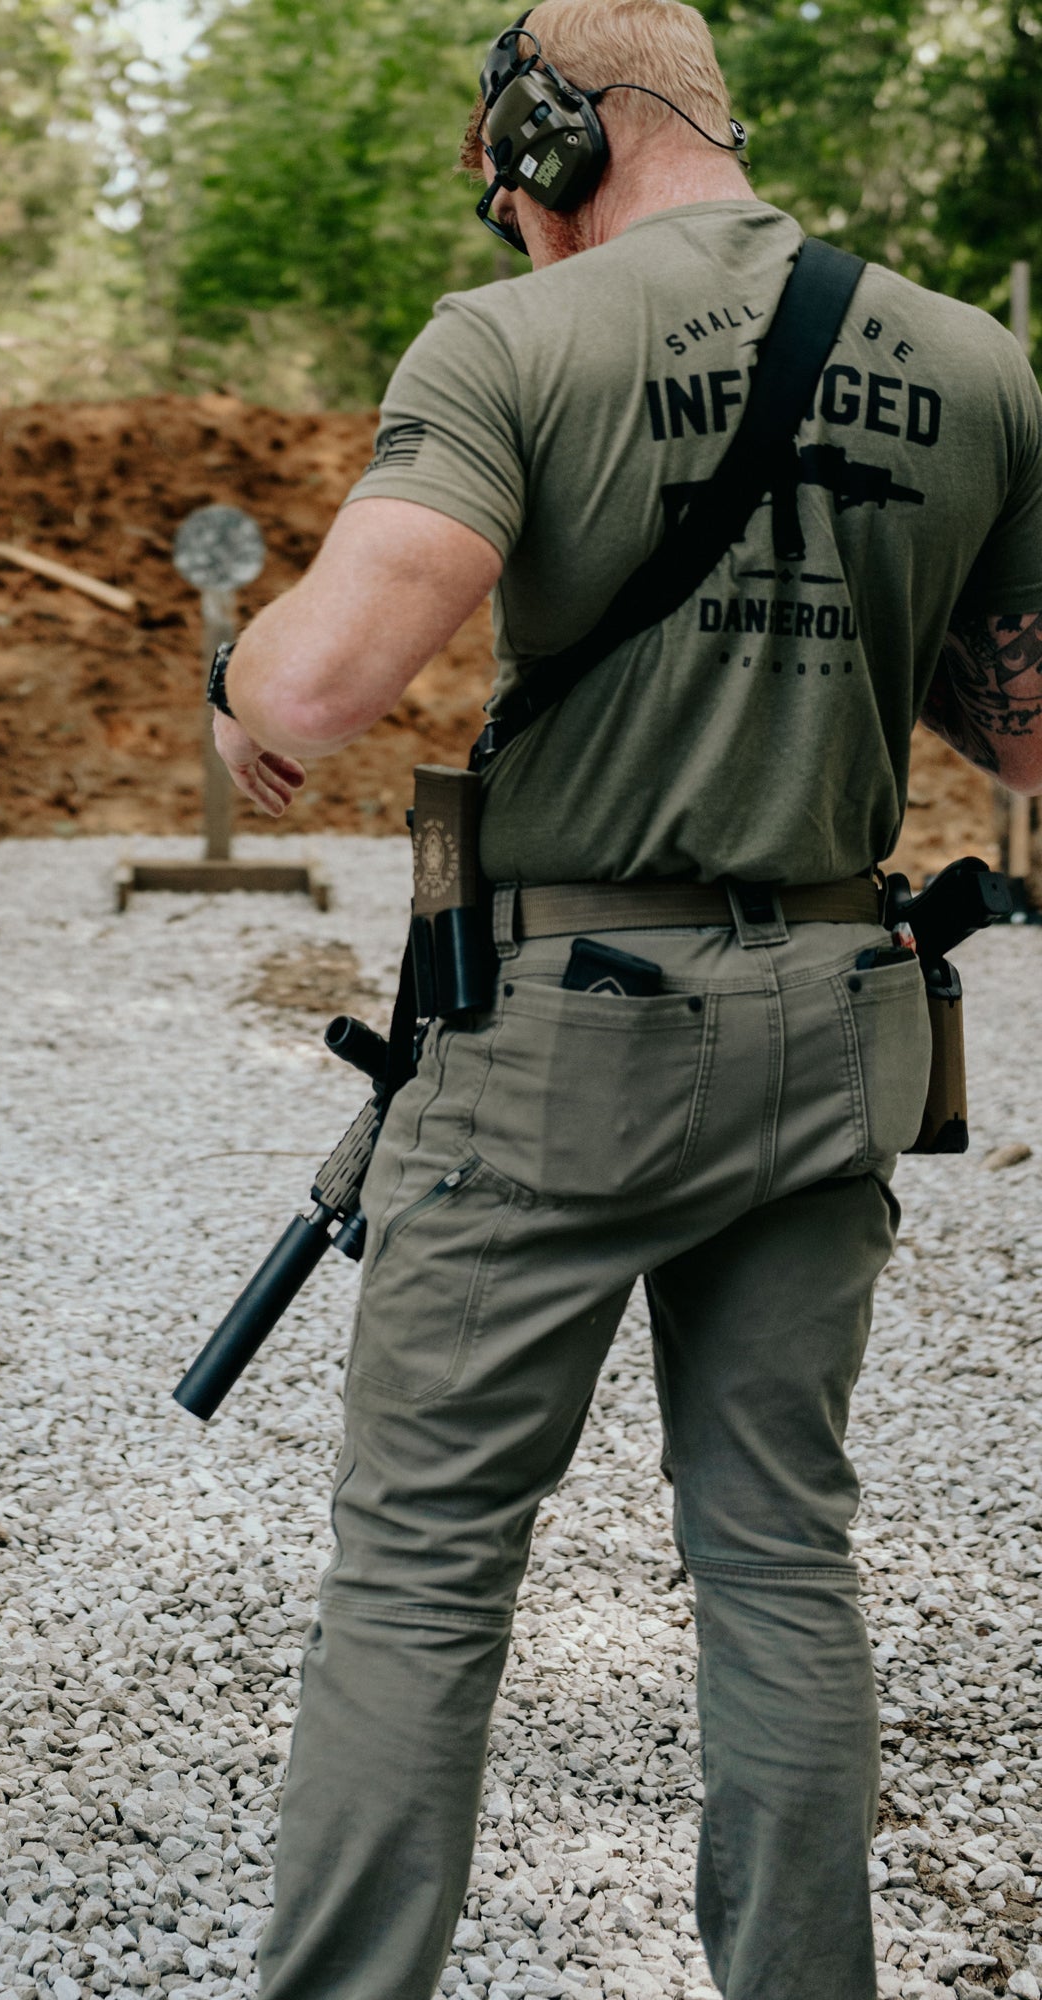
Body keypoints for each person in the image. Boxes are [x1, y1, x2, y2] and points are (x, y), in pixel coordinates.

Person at [206, 5, 1042, 1997]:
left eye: (505, 176)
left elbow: (326, 689)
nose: (506, 217)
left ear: (552, 131)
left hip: (570, 1033)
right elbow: (1021, 727)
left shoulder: (507, 344)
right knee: (777, 1559)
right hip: (845, 1013)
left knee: (418, 1575)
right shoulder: (973, 361)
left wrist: (236, 669)